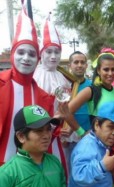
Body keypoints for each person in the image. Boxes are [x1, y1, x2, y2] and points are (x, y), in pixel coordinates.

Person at [0, 6, 53, 166]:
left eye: (31, 54)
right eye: (21, 52)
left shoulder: (45, 97)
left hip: (31, 170)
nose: (26, 58)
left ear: (38, 59)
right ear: (12, 55)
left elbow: (46, 134)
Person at [0, 105, 70, 187]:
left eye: (48, 129)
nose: (47, 135)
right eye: (38, 130)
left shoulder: (54, 162)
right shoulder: (7, 173)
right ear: (21, 136)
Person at [33, 14, 72, 171]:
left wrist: (66, 127)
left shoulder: (63, 78)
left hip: (59, 136)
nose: (53, 56)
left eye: (57, 52)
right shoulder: (35, 76)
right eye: (49, 51)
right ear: (42, 53)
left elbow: (67, 107)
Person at [60, 48, 114, 138]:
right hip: (96, 144)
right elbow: (66, 111)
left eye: (113, 69)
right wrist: (82, 132)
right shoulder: (91, 90)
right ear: (98, 71)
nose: (110, 73)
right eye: (106, 69)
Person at [61, 51, 92, 170]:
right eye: (76, 62)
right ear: (70, 65)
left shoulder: (93, 86)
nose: (79, 65)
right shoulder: (62, 86)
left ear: (86, 66)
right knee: (68, 171)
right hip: (67, 138)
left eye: (82, 62)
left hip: (86, 135)